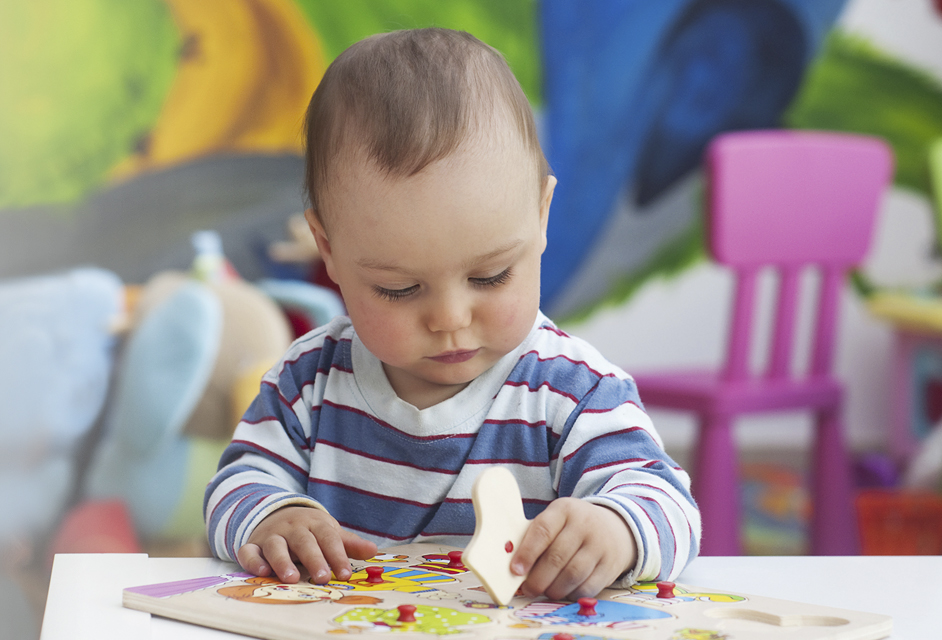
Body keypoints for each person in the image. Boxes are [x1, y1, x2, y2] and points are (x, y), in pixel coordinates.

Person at [203, 28, 699, 600]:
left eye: (489, 277)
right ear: (329, 248)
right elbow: (234, 485)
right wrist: (271, 518)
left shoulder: (573, 390)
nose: (450, 318)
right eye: (400, 288)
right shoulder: (308, 380)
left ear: (540, 217)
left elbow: (667, 503)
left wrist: (617, 529)